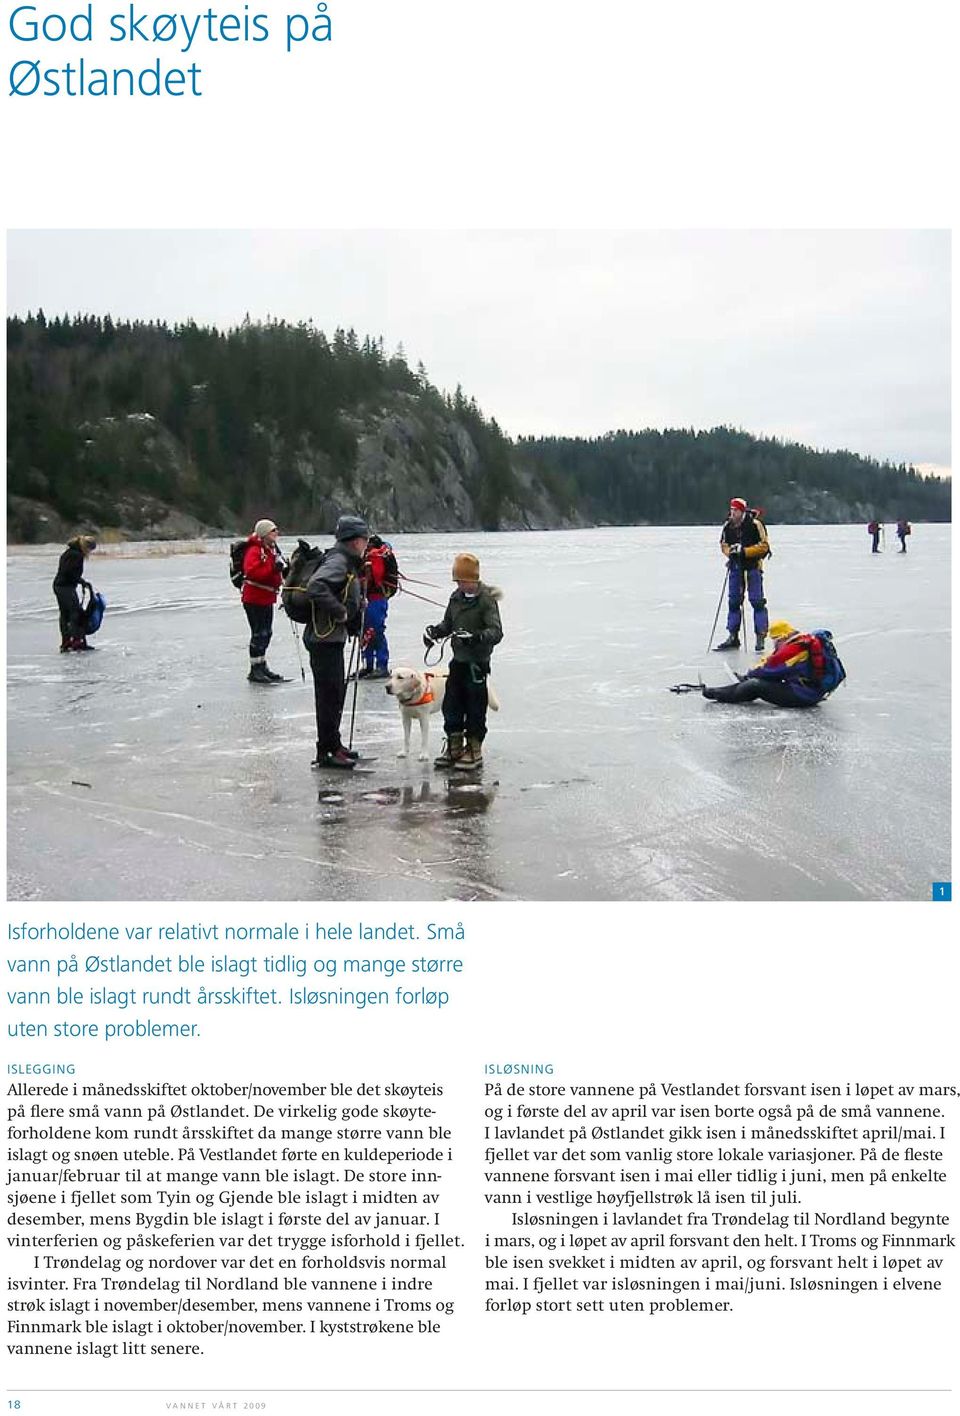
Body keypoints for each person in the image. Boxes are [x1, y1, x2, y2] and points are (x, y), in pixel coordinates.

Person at [424, 552, 503, 771]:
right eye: (457, 581)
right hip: (458, 660)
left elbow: (496, 632)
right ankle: (454, 747)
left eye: (463, 581)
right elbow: (448, 624)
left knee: (475, 707)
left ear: (473, 579)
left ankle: (474, 749)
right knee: (452, 705)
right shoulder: (456, 597)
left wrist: (476, 638)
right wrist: (434, 633)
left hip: (477, 662)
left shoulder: (486, 599)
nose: (460, 585)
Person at [304, 514, 368, 769]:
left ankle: (334, 744)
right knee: (329, 695)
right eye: (364, 539)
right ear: (354, 541)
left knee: (335, 693)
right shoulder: (339, 561)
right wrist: (340, 612)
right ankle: (327, 750)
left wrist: (354, 606)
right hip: (324, 638)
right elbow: (316, 586)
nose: (365, 544)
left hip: (329, 637)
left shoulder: (344, 560)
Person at [702, 620, 845, 708]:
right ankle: (733, 689)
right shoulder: (802, 642)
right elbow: (775, 664)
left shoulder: (791, 650)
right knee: (760, 682)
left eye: (775, 640)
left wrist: (749, 676)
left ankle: (718, 693)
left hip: (803, 695)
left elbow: (768, 669)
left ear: (782, 637)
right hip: (813, 692)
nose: (775, 644)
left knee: (755, 685)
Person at [714, 497, 771, 652]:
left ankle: (760, 636)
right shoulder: (728, 526)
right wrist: (730, 552)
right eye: (732, 510)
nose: (732, 513)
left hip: (753, 567)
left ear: (742, 511)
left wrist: (745, 551)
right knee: (733, 602)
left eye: (736, 510)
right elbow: (723, 544)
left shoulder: (755, 525)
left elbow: (764, 546)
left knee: (757, 601)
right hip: (736, 567)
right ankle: (733, 636)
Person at [241, 519, 287, 683]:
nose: (276, 533)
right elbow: (252, 572)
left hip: (266, 597)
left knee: (266, 632)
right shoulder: (254, 550)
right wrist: (273, 569)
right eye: (273, 531)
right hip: (254, 598)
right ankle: (255, 669)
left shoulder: (270, 549)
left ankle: (262, 665)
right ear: (264, 534)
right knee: (259, 633)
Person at [357, 534, 398, 679]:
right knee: (364, 631)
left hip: (376, 598)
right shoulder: (370, 556)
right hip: (367, 598)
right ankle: (368, 665)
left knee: (375, 631)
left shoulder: (374, 557)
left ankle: (381, 666)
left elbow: (373, 579)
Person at [53, 534, 97, 651]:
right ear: (86, 547)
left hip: (61, 585)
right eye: (90, 550)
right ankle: (77, 641)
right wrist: (82, 582)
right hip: (65, 587)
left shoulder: (70, 552)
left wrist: (80, 581)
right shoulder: (76, 555)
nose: (89, 553)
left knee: (65, 614)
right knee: (75, 613)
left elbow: (68, 572)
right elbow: (69, 572)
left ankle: (66, 641)